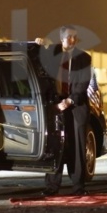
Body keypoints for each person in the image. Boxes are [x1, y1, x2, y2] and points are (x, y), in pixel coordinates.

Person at [43, 25, 92, 197]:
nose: (73, 39)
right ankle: (51, 186)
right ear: (62, 38)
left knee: (77, 148)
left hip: (76, 106)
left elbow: (83, 84)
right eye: (70, 36)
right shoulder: (51, 54)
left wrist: (70, 100)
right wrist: (39, 43)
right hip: (56, 106)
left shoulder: (84, 58)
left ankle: (78, 187)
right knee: (55, 146)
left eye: (75, 37)